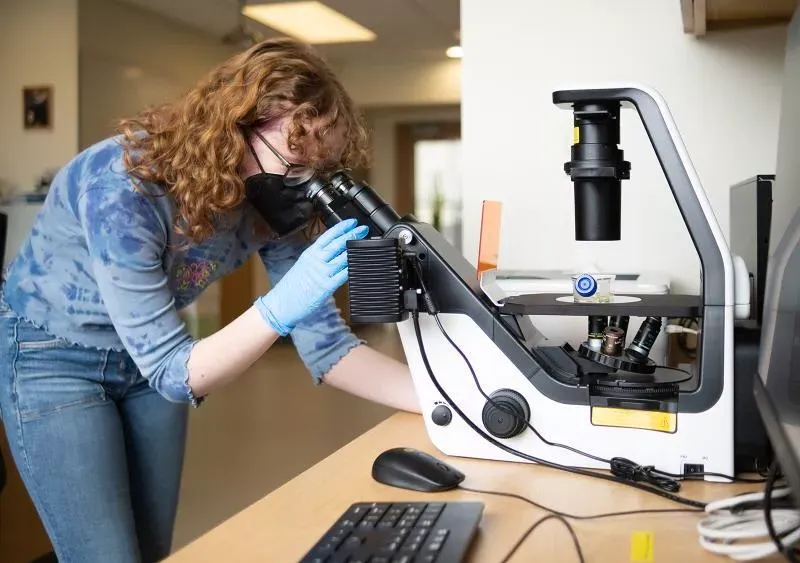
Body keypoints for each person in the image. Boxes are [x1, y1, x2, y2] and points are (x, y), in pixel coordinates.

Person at [0, 38, 420, 563]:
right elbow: (178, 374)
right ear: (232, 127)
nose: (302, 183)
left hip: (148, 355)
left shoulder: (266, 195)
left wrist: (447, 403)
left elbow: (328, 348)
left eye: (320, 168)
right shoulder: (122, 185)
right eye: (294, 160)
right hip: (53, 355)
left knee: (151, 550)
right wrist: (275, 309)